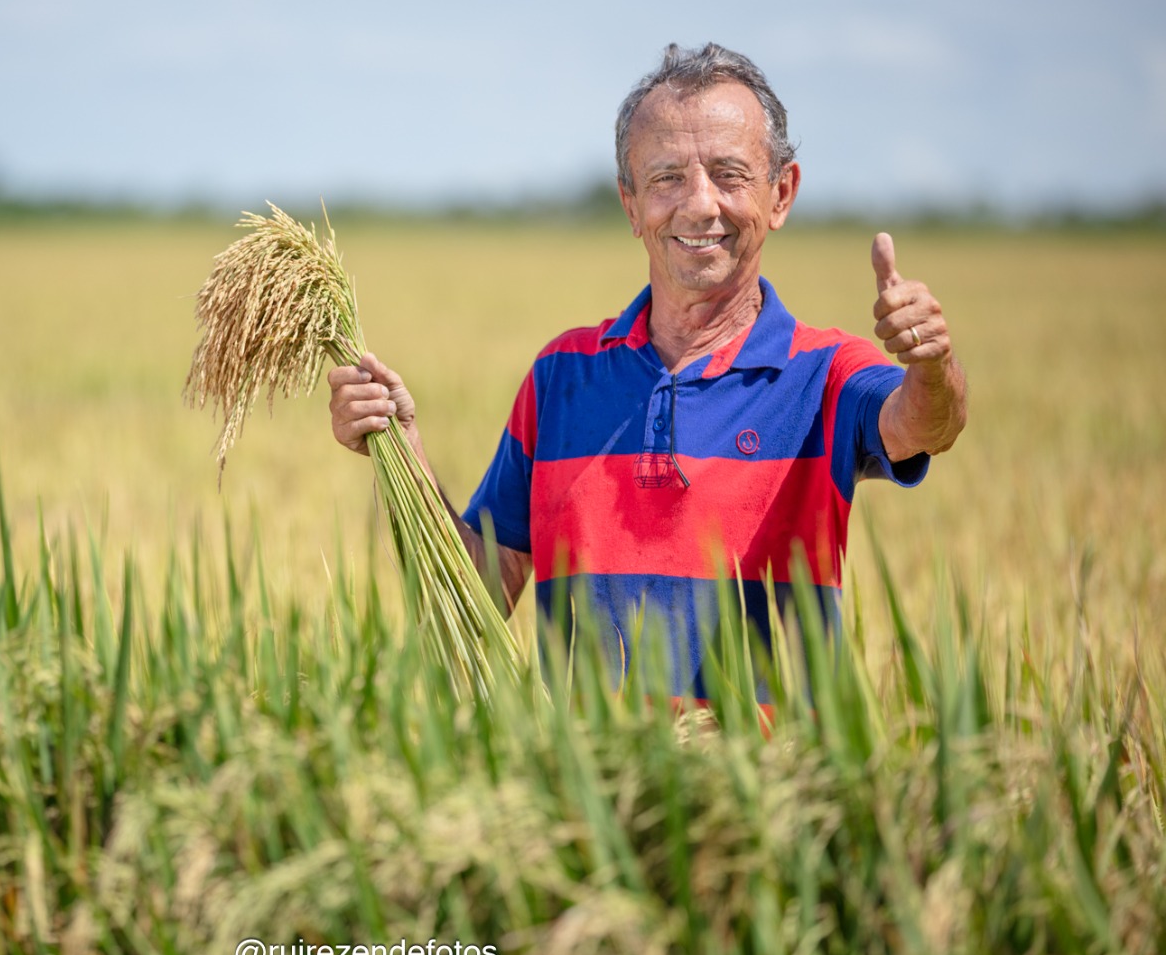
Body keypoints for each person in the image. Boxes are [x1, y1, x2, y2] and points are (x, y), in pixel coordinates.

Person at [326, 43, 968, 699]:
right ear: (631, 205)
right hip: (589, 793)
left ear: (781, 194)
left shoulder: (825, 372)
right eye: (666, 178)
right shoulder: (561, 379)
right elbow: (472, 601)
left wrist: (932, 365)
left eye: (729, 174)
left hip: (766, 790)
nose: (699, 205)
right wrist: (400, 452)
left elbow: (922, 425)